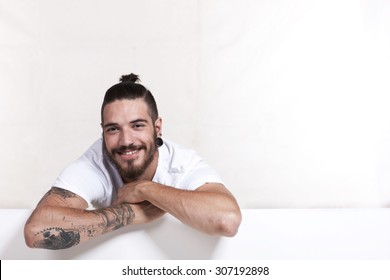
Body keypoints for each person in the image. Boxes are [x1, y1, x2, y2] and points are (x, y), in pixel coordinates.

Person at [24, 73, 242, 250]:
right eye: (113, 129)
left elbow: (227, 220)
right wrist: (130, 214)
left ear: (157, 127)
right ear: (103, 132)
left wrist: (145, 189)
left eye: (137, 125)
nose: (126, 141)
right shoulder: (93, 163)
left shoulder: (182, 163)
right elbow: (36, 232)